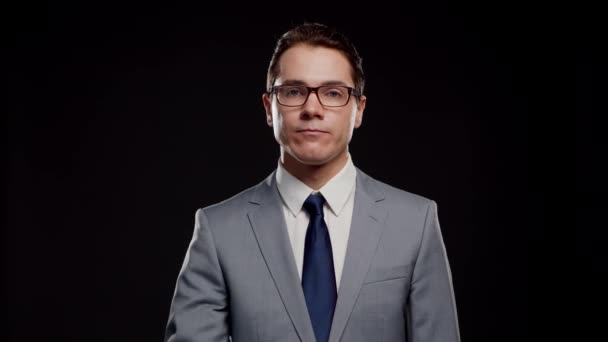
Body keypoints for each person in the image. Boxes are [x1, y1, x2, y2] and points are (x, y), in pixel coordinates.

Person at [165, 22, 460, 342]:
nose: (312, 108)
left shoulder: (415, 222)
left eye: (333, 93)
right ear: (269, 108)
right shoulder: (217, 229)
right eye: (293, 91)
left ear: (358, 110)